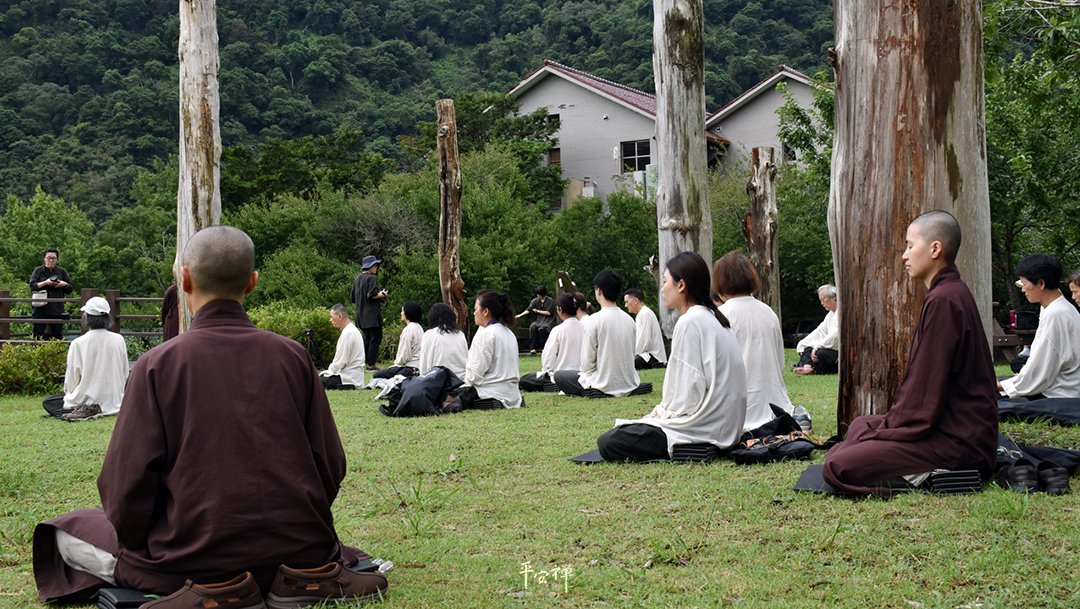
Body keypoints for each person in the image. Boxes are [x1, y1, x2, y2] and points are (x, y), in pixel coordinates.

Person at [32, 226, 386, 605]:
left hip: (191, 561)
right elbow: (330, 463)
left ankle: (215, 587)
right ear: (252, 283)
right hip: (301, 556)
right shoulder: (293, 357)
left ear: (184, 277)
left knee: (67, 529)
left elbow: (126, 484)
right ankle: (291, 577)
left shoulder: (156, 365)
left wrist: (145, 543)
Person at [822, 211, 998, 497]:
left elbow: (924, 393)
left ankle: (927, 472)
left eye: (909, 246)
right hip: (955, 428)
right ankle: (884, 451)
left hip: (960, 443)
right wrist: (883, 428)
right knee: (860, 424)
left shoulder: (945, 299)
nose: (904, 256)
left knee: (838, 464)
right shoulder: (949, 292)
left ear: (935, 249)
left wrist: (888, 431)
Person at [596, 252, 747, 461]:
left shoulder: (691, 322)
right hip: (727, 426)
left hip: (706, 429)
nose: (662, 288)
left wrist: (661, 414)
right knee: (631, 429)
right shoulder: (713, 318)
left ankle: (690, 445)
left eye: (665, 281)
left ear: (681, 285)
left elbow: (688, 397)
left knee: (609, 441)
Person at [712, 251, 804, 432]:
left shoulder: (722, 315)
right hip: (775, 405)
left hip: (736, 410)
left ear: (719, 283)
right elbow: (780, 364)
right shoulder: (768, 312)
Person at [997, 255, 1080, 399]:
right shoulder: (1056, 306)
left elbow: (1041, 372)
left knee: (990, 401)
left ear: (1041, 283)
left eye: (1024, 284)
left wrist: (998, 385)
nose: (1023, 290)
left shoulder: (1056, 313)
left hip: (1062, 392)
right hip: (1060, 383)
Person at [554, 270, 644, 398]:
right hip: (628, 382)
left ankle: (598, 390)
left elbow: (587, 363)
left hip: (601, 383)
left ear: (599, 291)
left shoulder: (594, 320)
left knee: (560, 376)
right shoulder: (630, 320)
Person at [41, 297, 128, 422]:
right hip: (114, 399)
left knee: (49, 402)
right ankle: (90, 410)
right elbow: (124, 373)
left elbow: (71, 380)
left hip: (87, 397)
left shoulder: (78, 343)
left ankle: (83, 410)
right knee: (52, 402)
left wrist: (69, 393)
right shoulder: (118, 339)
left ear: (86, 317)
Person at [459, 290, 523, 409]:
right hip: (512, 394)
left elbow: (474, 375)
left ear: (485, 311)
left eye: (476, 309)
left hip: (490, 393)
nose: (474, 313)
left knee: (446, 396)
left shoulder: (485, 334)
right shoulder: (509, 333)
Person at [519, 293, 585, 392]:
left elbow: (548, 357)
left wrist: (546, 371)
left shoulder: (558, 330)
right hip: (582, 375)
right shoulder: (585, 328)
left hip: (560, 376)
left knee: (524, 380)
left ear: (560, 310)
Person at [351, 255, 388, 371]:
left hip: (360, 315)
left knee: (367, 338)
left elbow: (352, 298)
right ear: (370, 266)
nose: (376, 267)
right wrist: (382, 295)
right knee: (375, 338)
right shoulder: (371, 279)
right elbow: (372, 294)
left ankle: (363, 361)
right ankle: (371, 364)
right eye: (375, 265)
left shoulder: (357, 279)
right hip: (371, 315)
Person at [793, 285, 839, 375]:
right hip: (827, 348)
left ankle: (815, 369)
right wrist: (804, 343)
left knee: (820, 353)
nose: (822, 303)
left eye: (823, 300)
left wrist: (817, 346)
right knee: (807, 348)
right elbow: (820, 331)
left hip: (838, 352)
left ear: (834, 297)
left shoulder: (841, 313)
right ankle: (808, 367)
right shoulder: (830, 315)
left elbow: (835, 335)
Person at [29, 247, 73, 339]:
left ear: (57, 259)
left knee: (57, 335)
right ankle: (37, 352)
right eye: (49, 258)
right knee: (38, 334)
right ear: (44, 259)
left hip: (57, 307)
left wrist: (64, 284)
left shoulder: (61, 271)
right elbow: (32, 286)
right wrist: (46, 282)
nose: (51, 260)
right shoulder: (38, 270)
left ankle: (57, 353)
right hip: (40, 307)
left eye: (54, 258)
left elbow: (71, 288)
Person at [319, 303, 366, 390]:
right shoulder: (352, 330)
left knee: (317, 382)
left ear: (340, 316)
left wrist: (328, 371)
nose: (330, 320)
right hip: (354, 376)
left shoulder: (348, 333)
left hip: (347, 378)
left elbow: (340, 362)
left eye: (332, 317)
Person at [373, 300, 424, 379]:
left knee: (377, 375)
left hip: (410, 367)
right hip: (420, 366)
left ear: (408, 312)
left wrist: (395, 366)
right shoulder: (419, 328)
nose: (401, 313)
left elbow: (404, 355)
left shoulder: (408, 330)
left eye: (403, 311)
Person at [418, 302, 469, 379]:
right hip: (461, 381)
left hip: (438, 382)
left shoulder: (429, 334)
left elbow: (423, 365)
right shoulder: (460, 334)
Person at [623, 287, 667, 370]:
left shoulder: (645, 314)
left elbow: (643, 343)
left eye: (627, 302)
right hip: (646, 355)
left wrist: (630, 355)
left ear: (635, 301)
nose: (626, 305)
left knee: (628, 363)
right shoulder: (642, 314)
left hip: (653, 357)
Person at [516, 285, 557, 354]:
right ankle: (533, 348)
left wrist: (538, 311)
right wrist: (520, 315)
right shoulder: (535, 301)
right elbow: (529, 309)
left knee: (542, 329)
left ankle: (544, 347)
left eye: (539, 294)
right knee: (534, 327)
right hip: (537, 321)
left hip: (546, 321)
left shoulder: (550, 301)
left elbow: (549, 313)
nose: (538, 296)